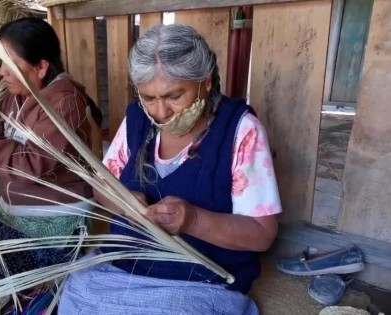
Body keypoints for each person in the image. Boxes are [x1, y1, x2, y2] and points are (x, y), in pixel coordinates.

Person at [58, 24, 281, 314]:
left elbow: (262, 233)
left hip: (201, 278)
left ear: (207, 81)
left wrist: (194, 221)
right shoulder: (137, 118)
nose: (160, 112)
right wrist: (126, 204)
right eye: (149, 98)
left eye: (175, 96)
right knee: (74, 294)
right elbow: (103, 185)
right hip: (124, 266)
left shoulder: (240, 129)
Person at [0, 17, 101, 289]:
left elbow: (31, 165)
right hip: (16, 212)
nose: (1, 72)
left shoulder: (64, 103)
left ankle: (52, 281)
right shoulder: (20, 93)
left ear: (41, 67)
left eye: (10, 63)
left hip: (55, 220)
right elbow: (9, 130)